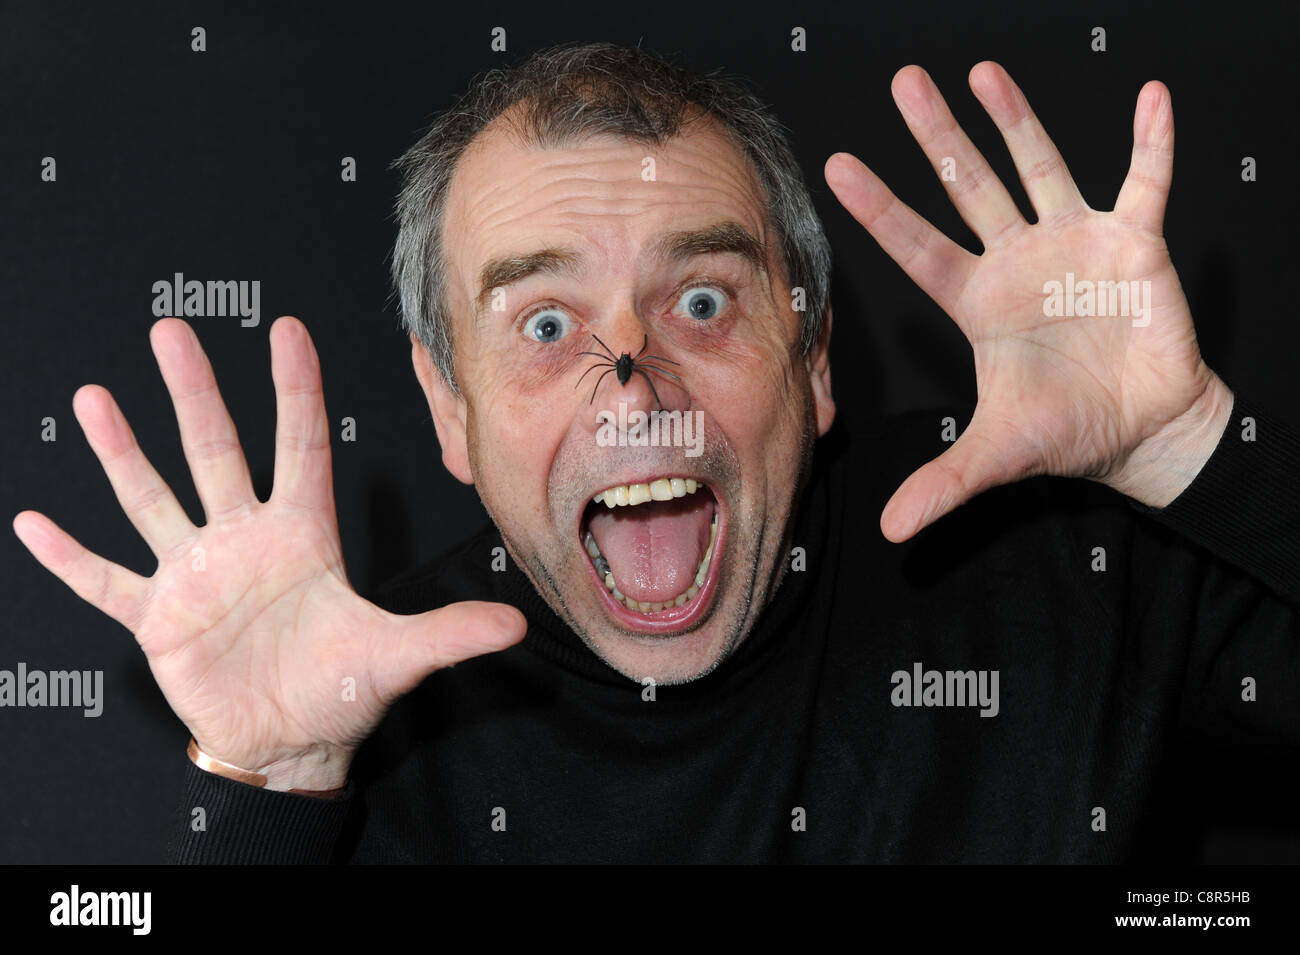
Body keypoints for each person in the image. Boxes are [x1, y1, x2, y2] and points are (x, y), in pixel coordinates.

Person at [13, 42, 1297, 863]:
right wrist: (272, 796)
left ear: (814, 362)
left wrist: (1192, 448)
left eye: (701, 301)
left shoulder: (1048, 555)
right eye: (546, 321)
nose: (632, 384)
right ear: (450, 413)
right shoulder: (373, 709)